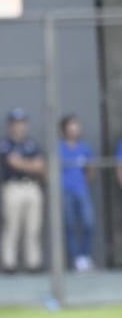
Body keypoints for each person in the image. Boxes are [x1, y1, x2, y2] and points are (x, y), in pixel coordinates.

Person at [0, 107, 45, 273]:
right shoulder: (6, 143)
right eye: (16, 123)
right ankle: (9, 264)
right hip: (13, 187)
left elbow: (41, 167)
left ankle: (33, 263)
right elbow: (12, 162)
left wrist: (24, 164)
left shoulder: (31, 143)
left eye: (22, 122)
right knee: (12, 226)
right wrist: (29, 164)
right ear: (10, 125)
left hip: (31, 186)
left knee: (33, 227)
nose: (19, 126)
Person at [59, 114, 96, 272]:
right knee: (70, 225)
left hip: (82, 191)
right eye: (71, 125)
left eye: (76, 125)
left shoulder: (84, 147)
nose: (74, 128)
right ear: (64, 129)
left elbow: (91, 168)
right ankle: (77, 259)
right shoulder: (59, 147)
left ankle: (86, 255)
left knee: (89, 222)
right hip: (65, 191)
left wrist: (84, 182)